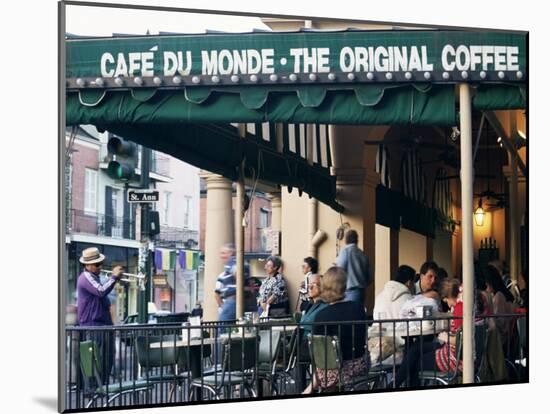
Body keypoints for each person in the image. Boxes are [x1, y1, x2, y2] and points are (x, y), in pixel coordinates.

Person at [303, 267, 368, 393]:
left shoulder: (320, 316)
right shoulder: (358, 308)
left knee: (326, 367)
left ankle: (311, 387)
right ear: (344, 286)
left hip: (328, 372)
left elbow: (320, 353)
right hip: (357, 366)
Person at [394, 278, 467, 387]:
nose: (447, 303)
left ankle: (394, 385)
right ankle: (394, 385)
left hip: (453, 358)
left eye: (445, 300)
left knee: (413, 361)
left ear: (449, 296)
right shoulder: (465, 306)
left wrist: (446, 337)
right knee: (415, 349)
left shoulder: (459, 309)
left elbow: (462, 340)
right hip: (454, 353)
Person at [76, 247, 124, 384]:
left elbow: (105, 300)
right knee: (98, 360)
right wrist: (114, 277)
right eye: (97, 265)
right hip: (93, 326)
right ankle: (95, 390)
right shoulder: (85, 277)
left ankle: (103, 387)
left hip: (103, 325)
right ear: (87, 265)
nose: (100, 267)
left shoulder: (95, 278)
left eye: (100, 263)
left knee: (107, 359)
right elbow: (101, 291)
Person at [368, 265, 415, 365]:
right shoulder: (409, 299)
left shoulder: (379, 296)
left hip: (378, 344)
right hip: (399, 345)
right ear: (409, 282)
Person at [215, 243, 256, 322]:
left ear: (231, 253)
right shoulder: (244, 263)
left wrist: (240, 285)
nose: (221, 256)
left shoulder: (232, 261)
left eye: (223, 253)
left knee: (223, 327)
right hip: (243, 300)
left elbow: (237, 272)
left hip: (233, 300)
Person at [335, 229, 372, 305]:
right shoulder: (363, 255)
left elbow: (339, 271)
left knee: (349, 315)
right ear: (356, 240)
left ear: (346, 240)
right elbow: (370, 278)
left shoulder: (345, 252)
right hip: (361, 292)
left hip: (349, 292)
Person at [484, 265, 515, 349]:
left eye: (486, 285)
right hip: (503, 336)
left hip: (500, 338)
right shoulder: (501, 294)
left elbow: (500, 322)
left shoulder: (499, 296)